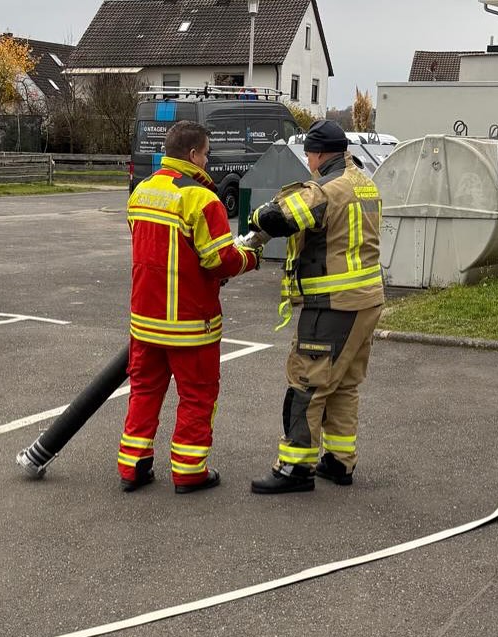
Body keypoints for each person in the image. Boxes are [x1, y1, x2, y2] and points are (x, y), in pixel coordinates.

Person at [118, 120, 259, 494]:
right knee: (197, 397)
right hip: (190, 324)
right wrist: (250, 257)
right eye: (207, 154)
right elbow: (219, 260)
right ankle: (189, 471)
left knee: (144, 392)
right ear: (194, 154)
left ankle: (132, 467)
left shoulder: (142, 191)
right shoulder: (201, 198)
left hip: (144, 322)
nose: (208, 161)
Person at [247, 119, 384, 495]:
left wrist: (256, 218)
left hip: (333, 304)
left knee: (306, 383)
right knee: (343, 385)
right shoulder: (364, 183)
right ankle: (339, 461)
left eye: (308, 154)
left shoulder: (326, 190)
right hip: (366, 300)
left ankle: (295, 467)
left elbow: (278, 218)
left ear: (320, 154)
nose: (308, 161)